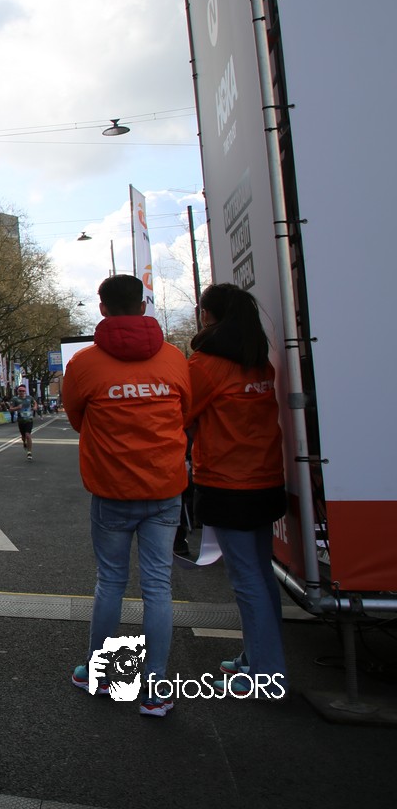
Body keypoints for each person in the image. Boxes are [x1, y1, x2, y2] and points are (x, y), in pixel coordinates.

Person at [63, 274, 191, 716]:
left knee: (111, 582)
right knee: (158, 586)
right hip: (164, 488)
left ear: (102, 309)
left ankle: (99, 676)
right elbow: (185, 412)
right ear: (142, 306)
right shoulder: (174, 358)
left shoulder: (83, 364)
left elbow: (77, 419)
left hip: (112, 490)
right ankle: (156, 688)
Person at [186, 283, 287, 695]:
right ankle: (257, 658)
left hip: (228, 481)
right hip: (266, 477)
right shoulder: (257, 362)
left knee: (246, 580)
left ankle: (266, 674)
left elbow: (182, 411)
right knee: (260, 575)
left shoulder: (207, 364)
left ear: (207, 315)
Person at [14, 384, 35, 460]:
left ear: (25, 391)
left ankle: (29, 452)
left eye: (23, 391)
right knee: (23, 437)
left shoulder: (30, 398)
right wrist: (17, 407)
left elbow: (35, 403)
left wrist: (35, 407)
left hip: (29, 420)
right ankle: (24, 442)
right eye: (20, 391)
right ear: (18, 391)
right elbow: (10, 409)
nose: (22, 392)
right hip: (21, 420)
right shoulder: (15, 399)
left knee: (28, 435)